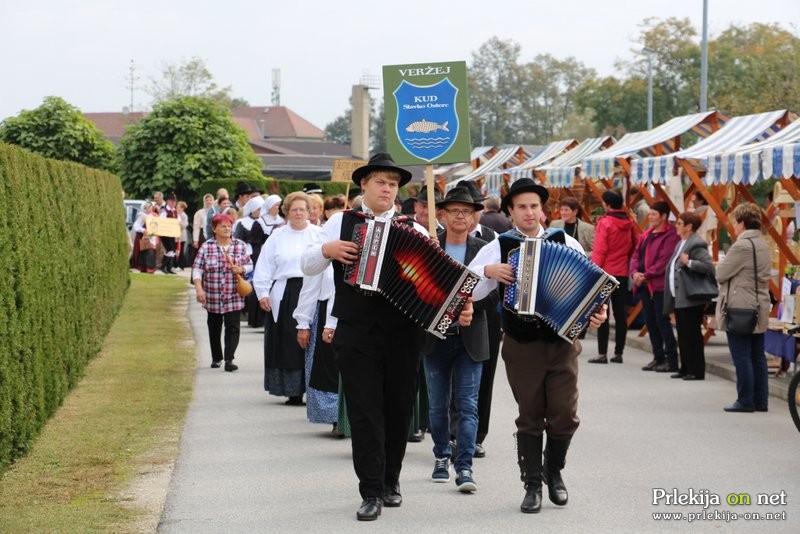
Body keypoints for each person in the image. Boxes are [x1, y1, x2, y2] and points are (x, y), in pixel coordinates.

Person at [300, 153, 473, 521]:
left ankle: (391, 480)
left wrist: (460, 306)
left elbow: (437, 286)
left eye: (393, 184)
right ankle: (371, 490)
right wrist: (326, 251)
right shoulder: (341, 222)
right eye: (380, 182)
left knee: (397, 411)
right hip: (357, 332)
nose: (387, 189)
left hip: (402, 334)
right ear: (364, 185)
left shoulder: (416, 230)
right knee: (365, 413)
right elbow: (308, 265)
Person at [468, 177, 606, 514]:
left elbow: (593, 284)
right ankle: (532, 486)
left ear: (542, 210)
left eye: (534, 206)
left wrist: (599, 312)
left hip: (561, 342)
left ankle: (553, 472)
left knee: (564, 415)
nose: (529, 213)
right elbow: (466, 289)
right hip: (521, 343)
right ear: (511, 212)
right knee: (530, 414)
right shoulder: (498, 246)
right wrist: (488, 271)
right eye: (522, 207)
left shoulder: (565, 242)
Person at [425, 187, 495, 493]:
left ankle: (464, 465)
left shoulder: (485, 249)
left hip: (471, 337)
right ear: (442, 214)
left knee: (468, 405)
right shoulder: (430, 247)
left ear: (474, 216)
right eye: (454, 210)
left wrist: (471, 306)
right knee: (438, 405)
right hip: (434, 338)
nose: (460, 216)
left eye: (466, 211)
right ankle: (441, 454)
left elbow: (494, 295)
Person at [254, 192, 320, 405]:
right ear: (287, 212)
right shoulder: (277, 236)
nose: (299, 213)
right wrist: (263, 292)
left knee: (313, 341)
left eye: (302, 209)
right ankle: (293, 390)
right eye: (294, 210)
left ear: (309, 211)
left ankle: (315, 389)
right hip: (286, 293)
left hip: (314, 290)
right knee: (289, 344)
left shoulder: (319, 235)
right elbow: (264, 266)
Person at [715, 203, 771, 412]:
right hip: (759, 303)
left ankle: (745, 400)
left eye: (735, 222)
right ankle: (760, 400)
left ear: (742, 222)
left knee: (741, 355)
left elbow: (721, 274)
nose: (734, 227)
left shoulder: (741, 246)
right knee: (757, 355)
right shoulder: (762, 243)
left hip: (740, 306)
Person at [192, 214, 253, 372]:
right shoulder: (206, 247)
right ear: (214, 229)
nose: (227, 229)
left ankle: (229, 359)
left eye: (229, 226)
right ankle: (216, 357)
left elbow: (250, 264)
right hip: (213, 296)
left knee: (233, 327)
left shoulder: (240, 245)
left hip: (234, 295)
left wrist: (242, 269)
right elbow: (197, 270)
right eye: (223, 226)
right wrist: (199, 289)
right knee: (214, 326)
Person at [663, 212, 715, 381]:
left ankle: (696, 370)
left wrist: (689, 263)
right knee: (683, 334)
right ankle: (685, 367)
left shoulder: (697, 243)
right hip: (680, 296)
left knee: (692, 334)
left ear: (689, 226)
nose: (676, 226)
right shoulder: (681, 243)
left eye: (679, 223)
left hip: (691, 297)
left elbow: (708, 266)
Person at [630, 201, 681, 373]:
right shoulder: (647, 234)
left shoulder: (670, 235)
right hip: (644, 285)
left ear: (664, 216)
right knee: (650, 322)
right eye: (650, 214)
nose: (650, 217)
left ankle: (671, 359)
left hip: (658, 285)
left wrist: (646, 275)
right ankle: (658, 357)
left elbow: (664, 260)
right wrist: (635, 272)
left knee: (662, 321)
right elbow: (636, 255)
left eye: (654, 214)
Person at [589, 190, 637, 364]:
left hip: (605, 272)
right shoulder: (630, 223)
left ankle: (602, 353)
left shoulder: (605, 223)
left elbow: (600, 249)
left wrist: (594, 270)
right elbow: (634, 246)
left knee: (602, 312)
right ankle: (619, 353)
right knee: (620, 313)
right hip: (622, 272)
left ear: (607, 204)